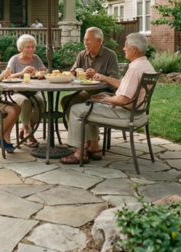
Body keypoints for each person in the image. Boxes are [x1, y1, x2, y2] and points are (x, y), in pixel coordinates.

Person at [60, 33, 156, 165]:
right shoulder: (145, 65)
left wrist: (103, 99)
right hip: (137, 113)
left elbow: (122, 100)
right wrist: (104, 78)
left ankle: (79, 153)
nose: (123, 48)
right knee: (86, 105)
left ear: (134, 49)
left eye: (126, 46)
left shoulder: (134, 68)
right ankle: (93, 147)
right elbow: (125, 85)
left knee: (77, 109)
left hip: (125, 114)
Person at [60, 27, 122, 143]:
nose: (85, 43)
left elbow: (114, 79)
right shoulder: (82, 54)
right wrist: (76, 71)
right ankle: (80, 134)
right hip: (86, 91)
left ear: (99, 41)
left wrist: (97, 75)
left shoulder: (110, 55)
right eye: (84, 40)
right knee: (66, 101)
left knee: (88, 104)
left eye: (88, 40)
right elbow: (71, 72)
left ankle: (91, 140)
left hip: (103, 93)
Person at [6, 34, 47, 148]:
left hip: (33, 91)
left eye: (33, 47)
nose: (31, 49)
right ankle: (28, 133)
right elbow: (7, 76)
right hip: (16, 92)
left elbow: (44, 71)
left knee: (41, 103)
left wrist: (40, 74)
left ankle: (27, 130)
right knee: (25, 102)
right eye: (28, 47)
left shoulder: (36, 58)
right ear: (21, 48)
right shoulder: (14, 60)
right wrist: (22, 72)